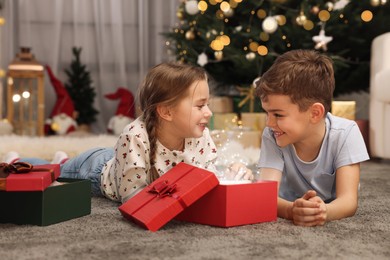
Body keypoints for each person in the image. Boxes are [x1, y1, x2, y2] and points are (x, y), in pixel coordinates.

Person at [4, 62, 252, 203]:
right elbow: (132, 197)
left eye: (207, 104)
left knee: (58, 167)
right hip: (95, 171)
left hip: (115, 161)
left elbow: (207, 177)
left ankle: (61, 159)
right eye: (200, 105)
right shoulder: (135, 136)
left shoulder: (200, 135)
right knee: (53, 172)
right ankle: (17, 160)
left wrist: (231, 173)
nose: (208, 112)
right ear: (166, 112)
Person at [255, 49, 369, 227]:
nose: (269, 123)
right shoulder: (272, 135)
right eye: (266, 113)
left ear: (315, 113)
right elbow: (265, 197)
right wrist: (291, 210)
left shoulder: (346, 133)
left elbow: (348, 201)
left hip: (325, 205)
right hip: (290, 201)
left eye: (277, 114)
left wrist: (324, 211)